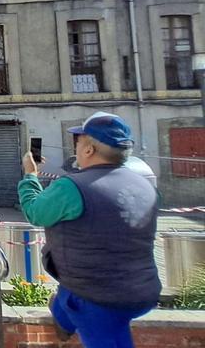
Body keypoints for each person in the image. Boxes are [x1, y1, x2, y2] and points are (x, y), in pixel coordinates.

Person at [18, 112, 160, 347]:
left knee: (91, 318)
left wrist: (30, 175)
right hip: (145, 290)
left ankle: (64, 315)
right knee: (69, 297)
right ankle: (63, 315)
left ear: (88, 150)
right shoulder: (146, 186)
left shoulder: (72, 187)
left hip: (96, 296)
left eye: (78, 142)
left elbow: (35, 211)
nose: (75, 149)